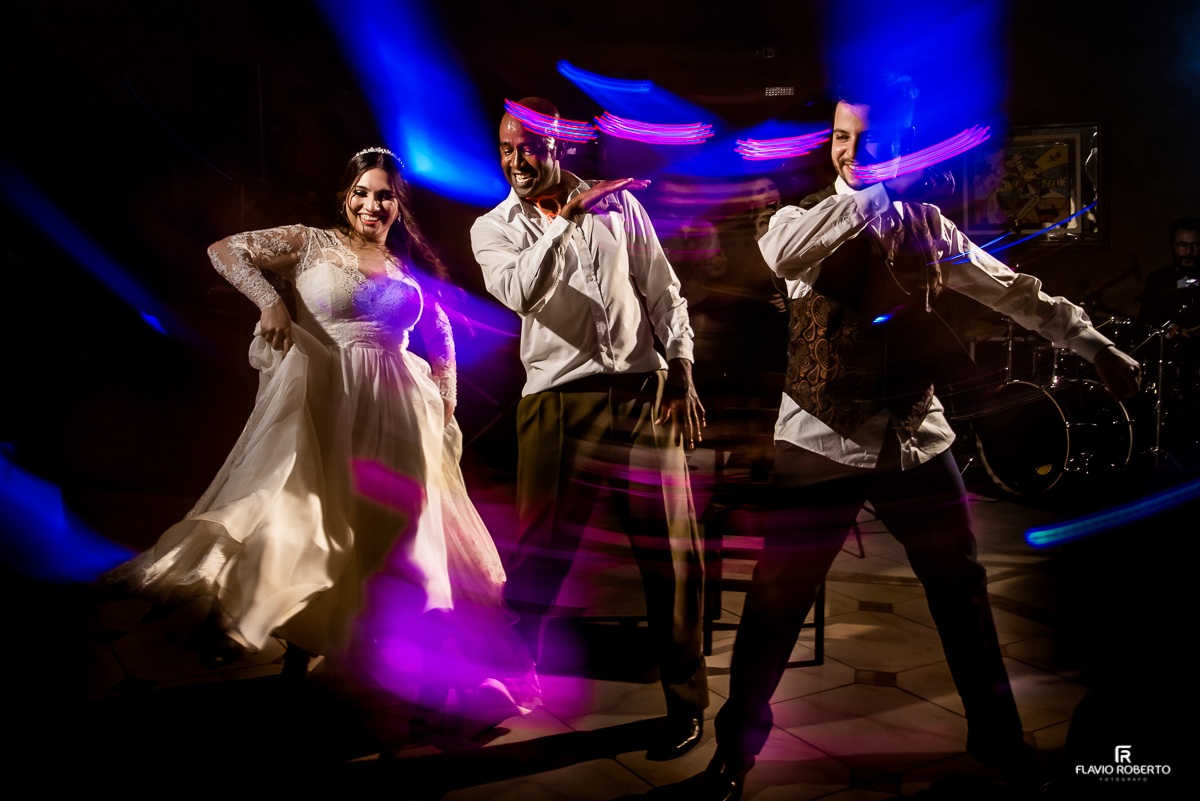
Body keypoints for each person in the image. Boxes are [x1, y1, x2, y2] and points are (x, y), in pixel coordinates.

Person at [703, 76, 1142, 799]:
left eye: (869, 139)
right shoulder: (796, 220)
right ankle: (734, 752)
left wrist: (1092, 344)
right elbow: (784, 258)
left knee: (962, 592)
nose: (851, 152)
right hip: (818, 440)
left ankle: (999, 741)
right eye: (842, 137)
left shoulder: (928, 226)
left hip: (914, 440)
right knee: (777, 600)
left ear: (901, 143)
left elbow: (1010, 289)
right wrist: (878, 193)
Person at [107, 148, 538, 722]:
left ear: (397, 205)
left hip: (401, 415)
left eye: (384, 195)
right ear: (345, 196)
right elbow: (225, 250)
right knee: (318, 527)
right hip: (330, 405)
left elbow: (438, 330)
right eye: (361, 192)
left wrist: (446, 399)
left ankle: (428, 677)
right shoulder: (310, 242)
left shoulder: (406, 265)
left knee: (402, 539)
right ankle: (286, 651)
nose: (371, 205)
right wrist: (270, 303)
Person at [471, 98, 708, 760]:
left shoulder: (621, 206)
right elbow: (521, 292)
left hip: (642, 398)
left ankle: (686, 705)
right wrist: (564, 219)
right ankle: (512, 683)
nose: (516, 160)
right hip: (556, 404)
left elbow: (663, 291)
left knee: (673, 560)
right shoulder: (493, 227)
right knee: (538, 558)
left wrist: (682, 365)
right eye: (506, 149)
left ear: (557, 146)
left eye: (528, 146)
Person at [1139, 216, 1200, 327]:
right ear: (1172, 245)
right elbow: (1147, 323)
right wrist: (1170, 330)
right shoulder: (1157, 279)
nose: (1189, 251)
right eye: (1182, 245)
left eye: (1195, 245)